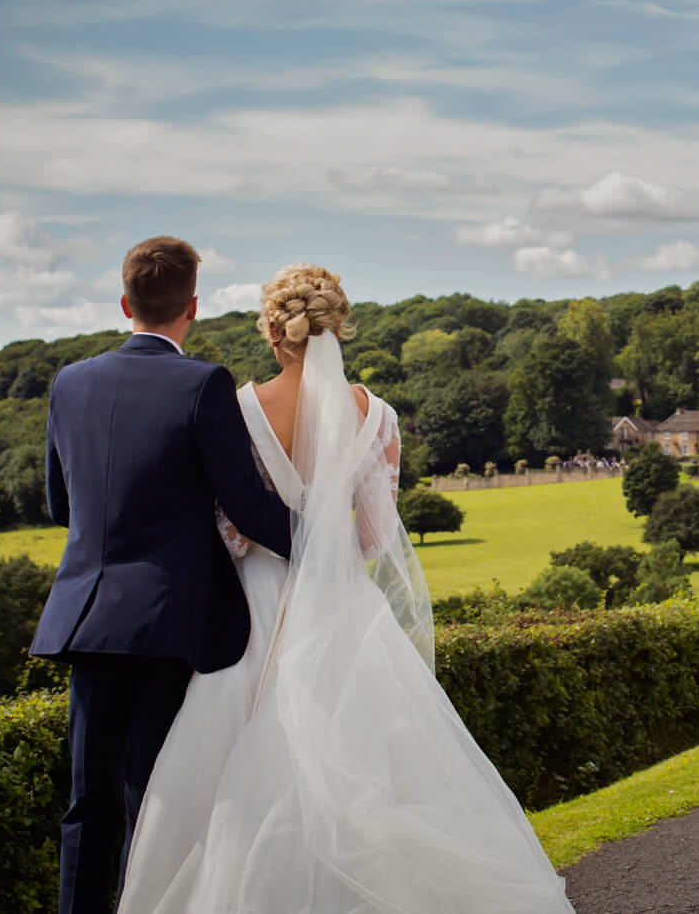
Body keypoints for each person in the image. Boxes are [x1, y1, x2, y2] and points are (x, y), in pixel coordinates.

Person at [117, 263, 572, 914]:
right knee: (373, 764)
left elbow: (234, 532)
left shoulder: (239, 408)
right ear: (338, 327)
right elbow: (374, 535)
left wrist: (269, 537)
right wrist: (323, 535)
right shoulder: (377, 415)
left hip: (258, 604)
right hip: (345, 606)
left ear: (274, 330)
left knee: (233, 765)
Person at [31, 237, 296, 914]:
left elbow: (62, 505)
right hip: (170, 619)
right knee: (155, 796)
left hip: (87, 617)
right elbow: (248, 505)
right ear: (193, 308)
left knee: (87, 801)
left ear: (125, 303)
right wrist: (322, 543)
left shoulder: (71, 381)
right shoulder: (203, 382)